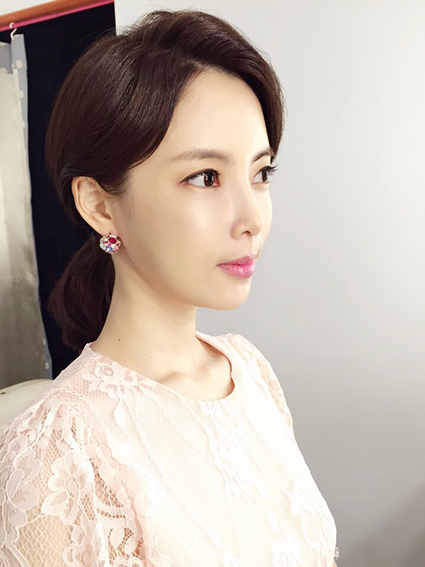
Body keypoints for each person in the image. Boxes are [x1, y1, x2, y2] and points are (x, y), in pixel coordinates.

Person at [0, 9, 339, 566]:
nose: (252, 218)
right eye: (205, 177)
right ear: (100, 205)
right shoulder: (57, 448)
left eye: (260, 173)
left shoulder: (249, 370)